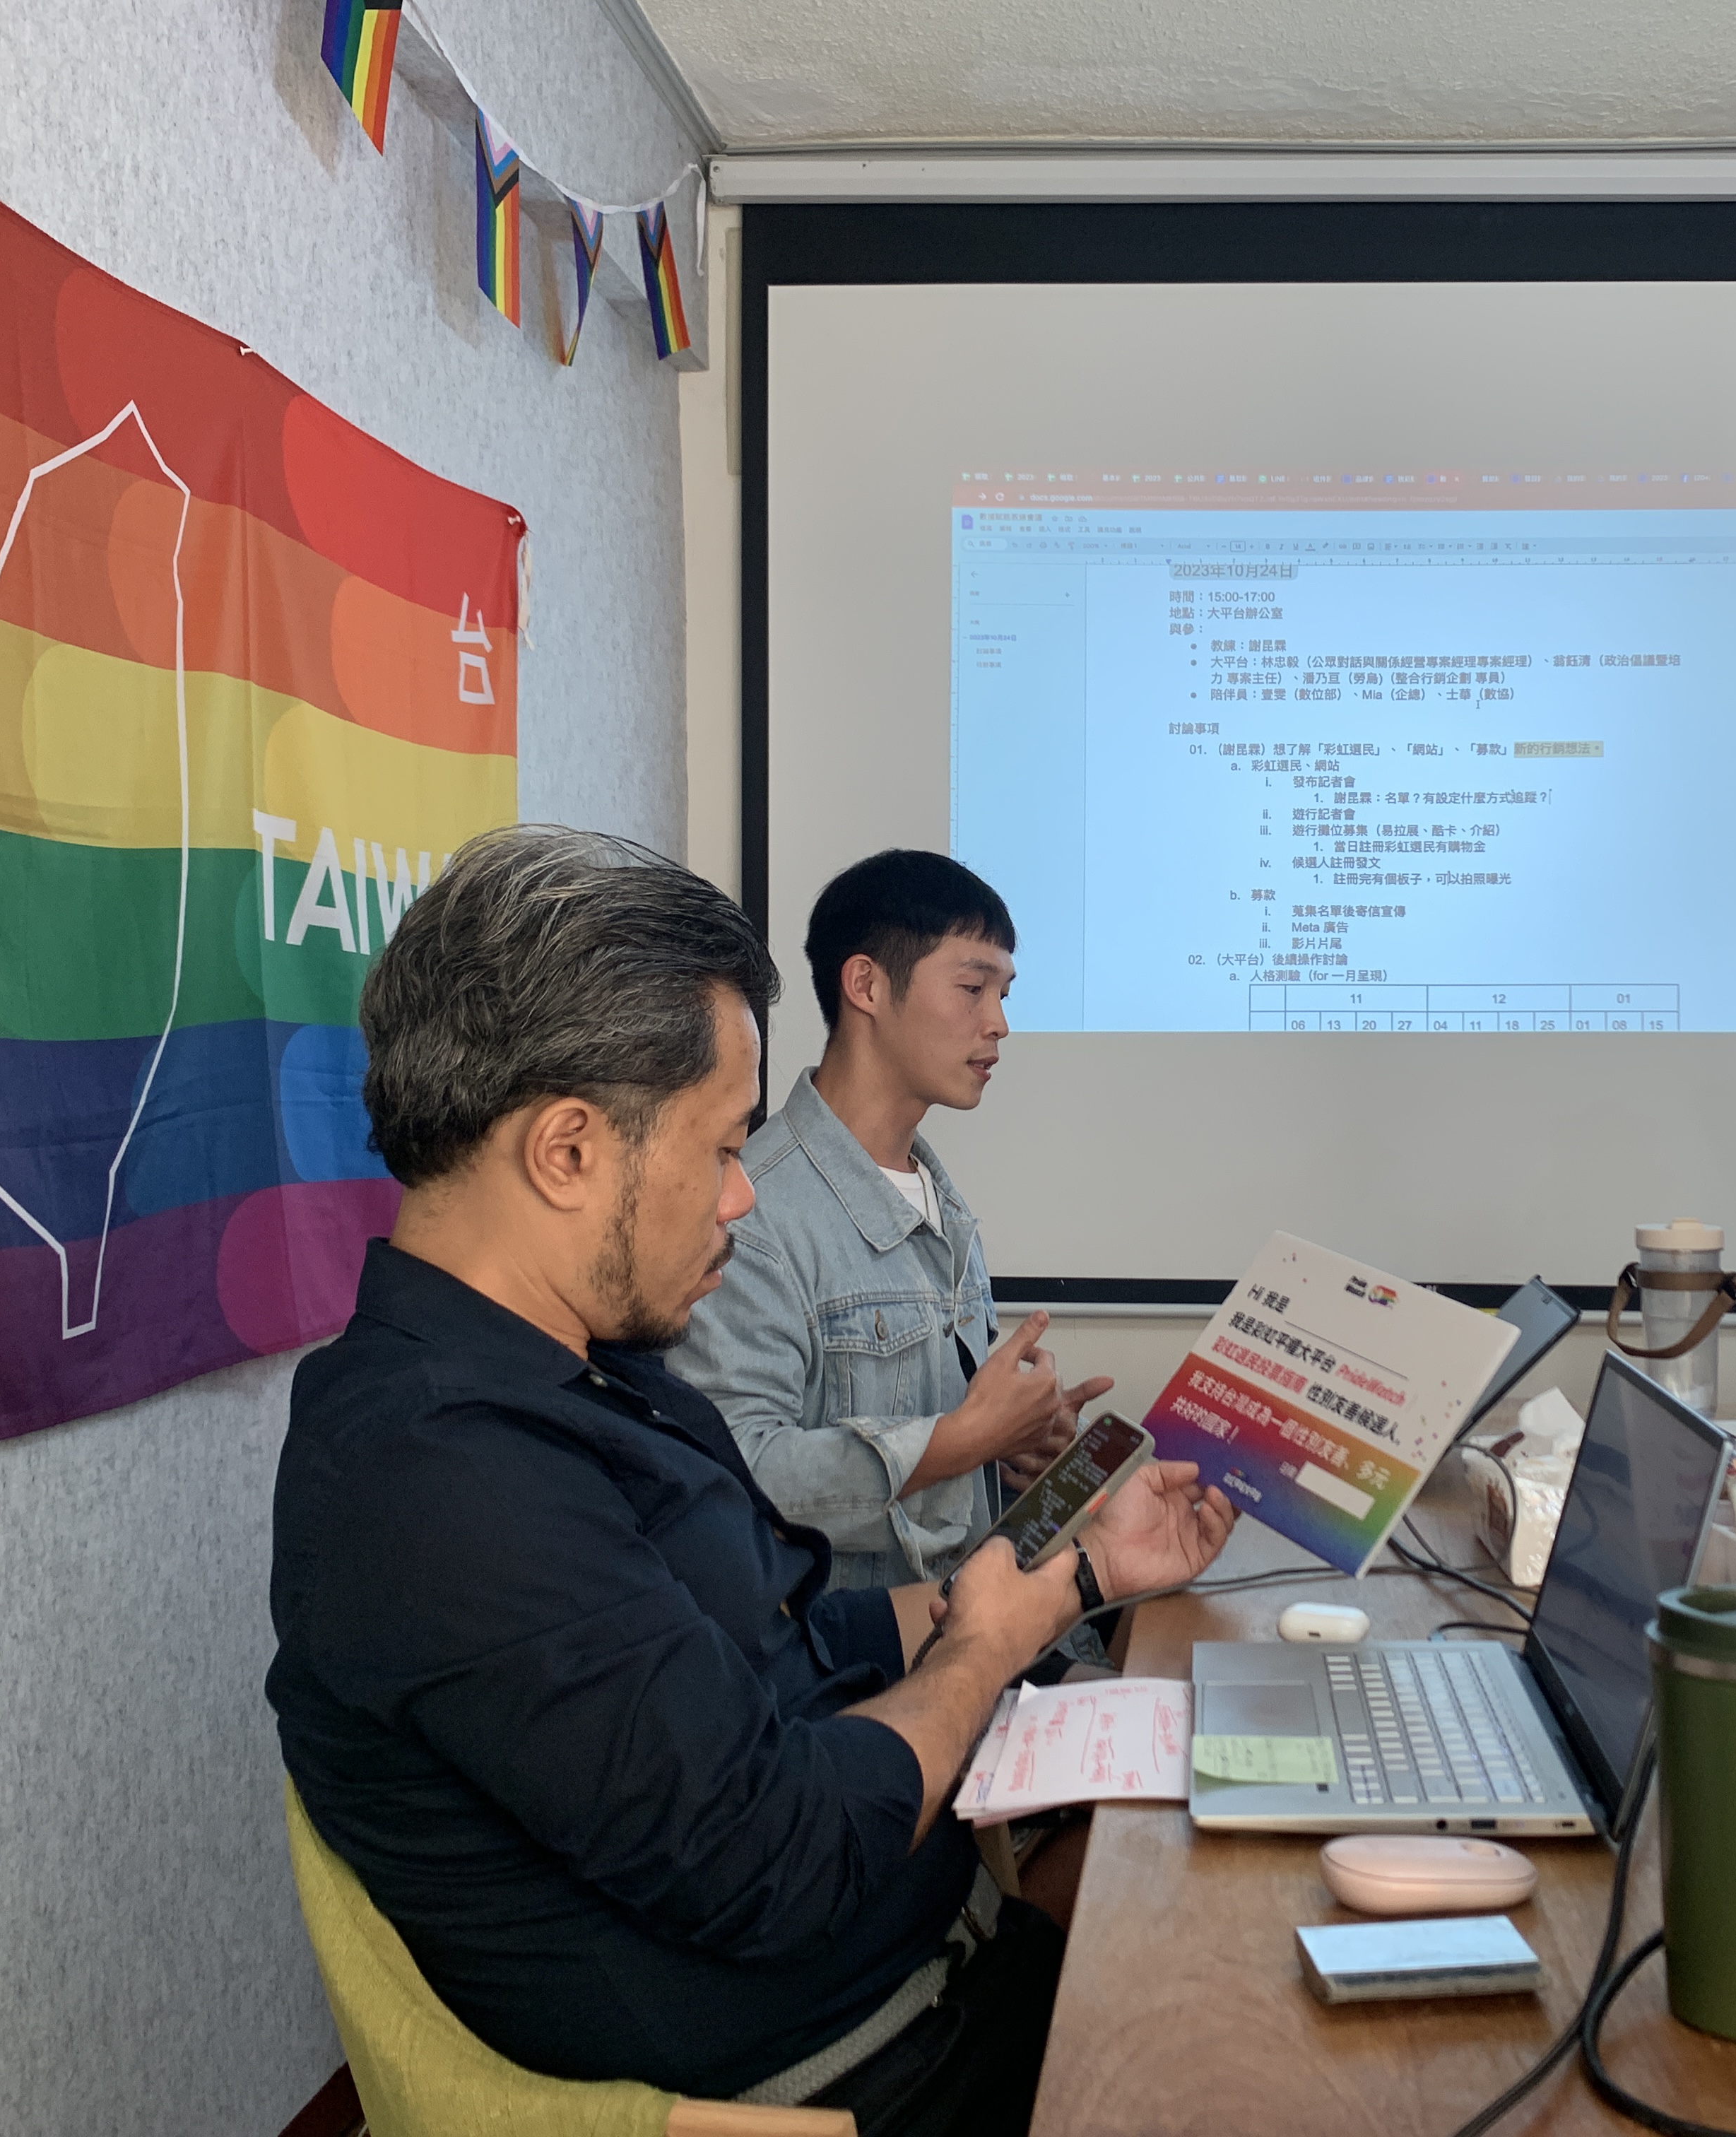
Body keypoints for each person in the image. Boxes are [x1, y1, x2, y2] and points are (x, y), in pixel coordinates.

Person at [264, 828, 1233, 2133]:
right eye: (723, 1149)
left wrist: (1082, 1572)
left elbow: (781, 1633)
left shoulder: (593, 1373)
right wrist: (981, 1653)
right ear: (567, 1151)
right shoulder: (437, 1479)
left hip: (940, 1954)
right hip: (857, 2076)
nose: (740, 1199)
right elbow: (780, 1859)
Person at [673, 849, 1109, 1589]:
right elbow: (737, 1475)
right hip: (850, 1650)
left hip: (966, 1625)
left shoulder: (943, 1203)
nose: (999, 1023)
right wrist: (962, 1440)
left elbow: (951, 1465)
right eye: (972, 988)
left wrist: (1013, 1443)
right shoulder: (751, 1212)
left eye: (1004, 994)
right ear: (866, 985)